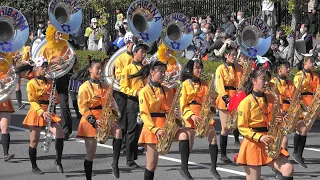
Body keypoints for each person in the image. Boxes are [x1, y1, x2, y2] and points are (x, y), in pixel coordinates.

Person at [135, 60, 193, 180]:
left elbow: (169, 109)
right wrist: (155, 129)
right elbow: (144, 114)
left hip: (166, 124)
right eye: (160, 71)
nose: (163, 74)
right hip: (152, 127)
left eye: (164, 72)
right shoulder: (144, 91)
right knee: (151, 165)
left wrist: (174, 113)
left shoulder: (167, 90)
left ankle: (184, 168)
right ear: (152, 72)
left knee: (184, 135)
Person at [237, 68, 294, 180]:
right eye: (263, 79)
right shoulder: (246, 102)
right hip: (253, 143)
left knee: (288, 168)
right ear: (253, 80)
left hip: (270, 141)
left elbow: (278, 122)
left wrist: (280, 121)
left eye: (268, 80)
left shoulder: (272, 98)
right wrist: (259, 137)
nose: (267, 83)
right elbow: (242, 127)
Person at [77, 59, 122, 179]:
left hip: (104, 116)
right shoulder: (84, 87)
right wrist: (92, 120)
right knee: (91, 152)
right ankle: (88, 177)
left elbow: (110, 103)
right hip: (90, 118)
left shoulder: (106, 86)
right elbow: (82, 107)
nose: (100, 71)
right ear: (90, 70)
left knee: (118, 132)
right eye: (97, 68)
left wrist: (113, 114)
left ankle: (115, 163)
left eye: (101, 68)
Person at [22, 57, 64, 174]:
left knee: (60, 133)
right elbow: (32, 100)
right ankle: (34, 166)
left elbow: (57, 99)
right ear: (36, 68)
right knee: (34, 141)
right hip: (37, 112)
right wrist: (41, 112)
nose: (45, 69)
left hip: (49, 111)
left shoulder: (50, 82)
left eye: (46, 66)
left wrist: (56, 99)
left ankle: (58, 160)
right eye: (43, 67)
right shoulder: (31, 83)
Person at [180, 59, 221, 180]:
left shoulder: (205, 83)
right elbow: (183, 104)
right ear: (190, 70)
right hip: (191, 114)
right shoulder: (185, 84)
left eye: (201, 67)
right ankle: (184, 168)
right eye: (197, 68)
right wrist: (191, 116)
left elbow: (211, 100)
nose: (200, 70)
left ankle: (213, 168)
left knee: (213, 136)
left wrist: (211, 106)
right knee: (189, 142)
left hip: (204, 114)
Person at [40, 24, 73, 140]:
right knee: (51, 104)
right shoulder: (46, 47)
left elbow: (71, 58)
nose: (60, 35)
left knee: (64, 104)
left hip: (63, 76)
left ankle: (66, 130)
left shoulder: (65, 45)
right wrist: (51, 60)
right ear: (51, 34)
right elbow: (40, 63)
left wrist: (64, 60)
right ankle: (52, 127)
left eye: (61, 33)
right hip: (50, 77)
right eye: (57, 33)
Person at [120, 44, 149, 168]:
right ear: (135, 52)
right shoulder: (128, 68)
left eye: (144, 52)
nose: (143, 54)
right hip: (132, 101)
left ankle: (135, 155)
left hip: (144, 101)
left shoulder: (145, 68)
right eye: (141, 52)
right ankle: (129, 159)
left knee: (140, 128)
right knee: (131, 129)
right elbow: (123, 87)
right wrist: (135, 92)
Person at [215, 46, 242, 163]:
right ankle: (223, 154)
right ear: (226, 55)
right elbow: (219, 85)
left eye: (235, 54)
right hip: (224, 99)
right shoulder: (220, 68)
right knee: (225, 128)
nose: (234, 56)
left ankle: (243, 153)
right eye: (232, 54)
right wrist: (226, 99)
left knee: (240, 126)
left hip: (237, 98)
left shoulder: (239, 68)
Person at [293, 54, 320, 168]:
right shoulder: (299, 76)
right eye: (311, 62)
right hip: (301, 106)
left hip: (312, 105)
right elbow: (296, 93)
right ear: (305, 63)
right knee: (303, 130)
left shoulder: (316, 76)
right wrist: (302, 106)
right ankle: (298, 154)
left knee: (302, 130)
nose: (313, 64)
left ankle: (296, 152)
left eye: (314, 62)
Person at [113, 32, 134, 153]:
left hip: (134, 91)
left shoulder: (140, 58)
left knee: (132, 119)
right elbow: (118, 75)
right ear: (127, 43)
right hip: (121, 91)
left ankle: (130, 145)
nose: (134, 45)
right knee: (122, 119)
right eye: (132, 43)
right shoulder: (121, 58)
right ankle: (120, 145)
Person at [270, 60, 295, 152]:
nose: (289, 69)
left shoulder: (290, 83)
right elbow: (272, 99)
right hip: (277, 113)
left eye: (289, 67)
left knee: (282, 139)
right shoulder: (273, 82)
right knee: (282, 139)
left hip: (288, 113)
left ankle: (280, 158)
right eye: (286, 67)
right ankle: (282, 159)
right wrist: (281, 111)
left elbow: (294, 99)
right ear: (279, 69)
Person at [0, 53, 16, 162]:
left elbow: (13, 76)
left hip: (4, 98)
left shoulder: (7, 59)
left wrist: (14, 63)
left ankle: (6, 154)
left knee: (5, 127)